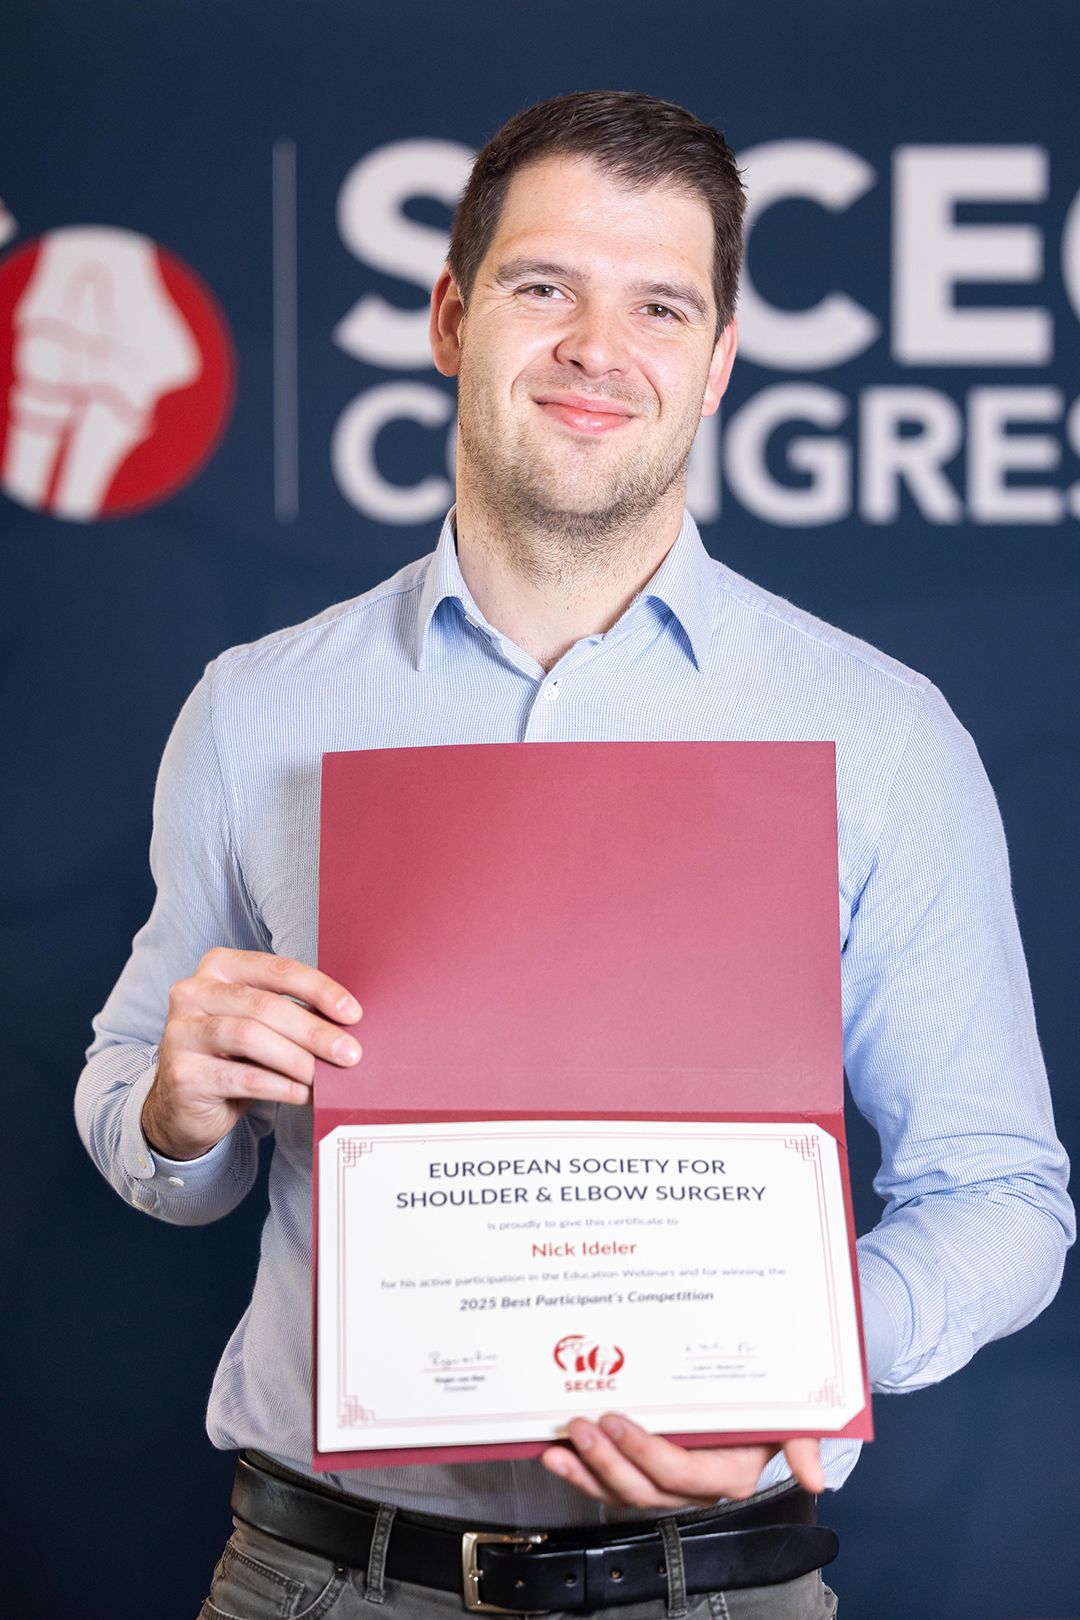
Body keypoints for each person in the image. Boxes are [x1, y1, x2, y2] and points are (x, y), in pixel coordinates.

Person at [76, 90, 1073, 1620]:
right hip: (324, 1579)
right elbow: (149, 1127)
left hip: (717, 1583)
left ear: (719, 361)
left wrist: (804, 1360)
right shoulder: (256, 708)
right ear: (451, 319)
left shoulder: (880, 733)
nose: (598, 347)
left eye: (660, 305)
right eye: (545, 287)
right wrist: (173, 1102)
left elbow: (1000, 1194)